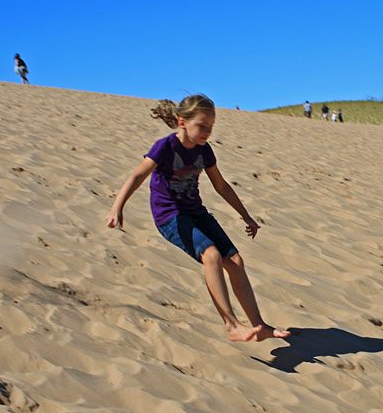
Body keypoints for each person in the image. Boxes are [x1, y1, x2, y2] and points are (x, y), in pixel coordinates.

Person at [106, 94, 290, 342]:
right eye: (201, 126)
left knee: (235, 261)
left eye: (210, 127)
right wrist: (117, 207)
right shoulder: (165, 147)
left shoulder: (204, 150)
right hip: (169, 216)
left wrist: (245, 215)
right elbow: (137, 176)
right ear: (182, 122)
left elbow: (221, 185)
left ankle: (260, 326)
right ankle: (231, 324)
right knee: (212, 255)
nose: (207, 132)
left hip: (197, 212)